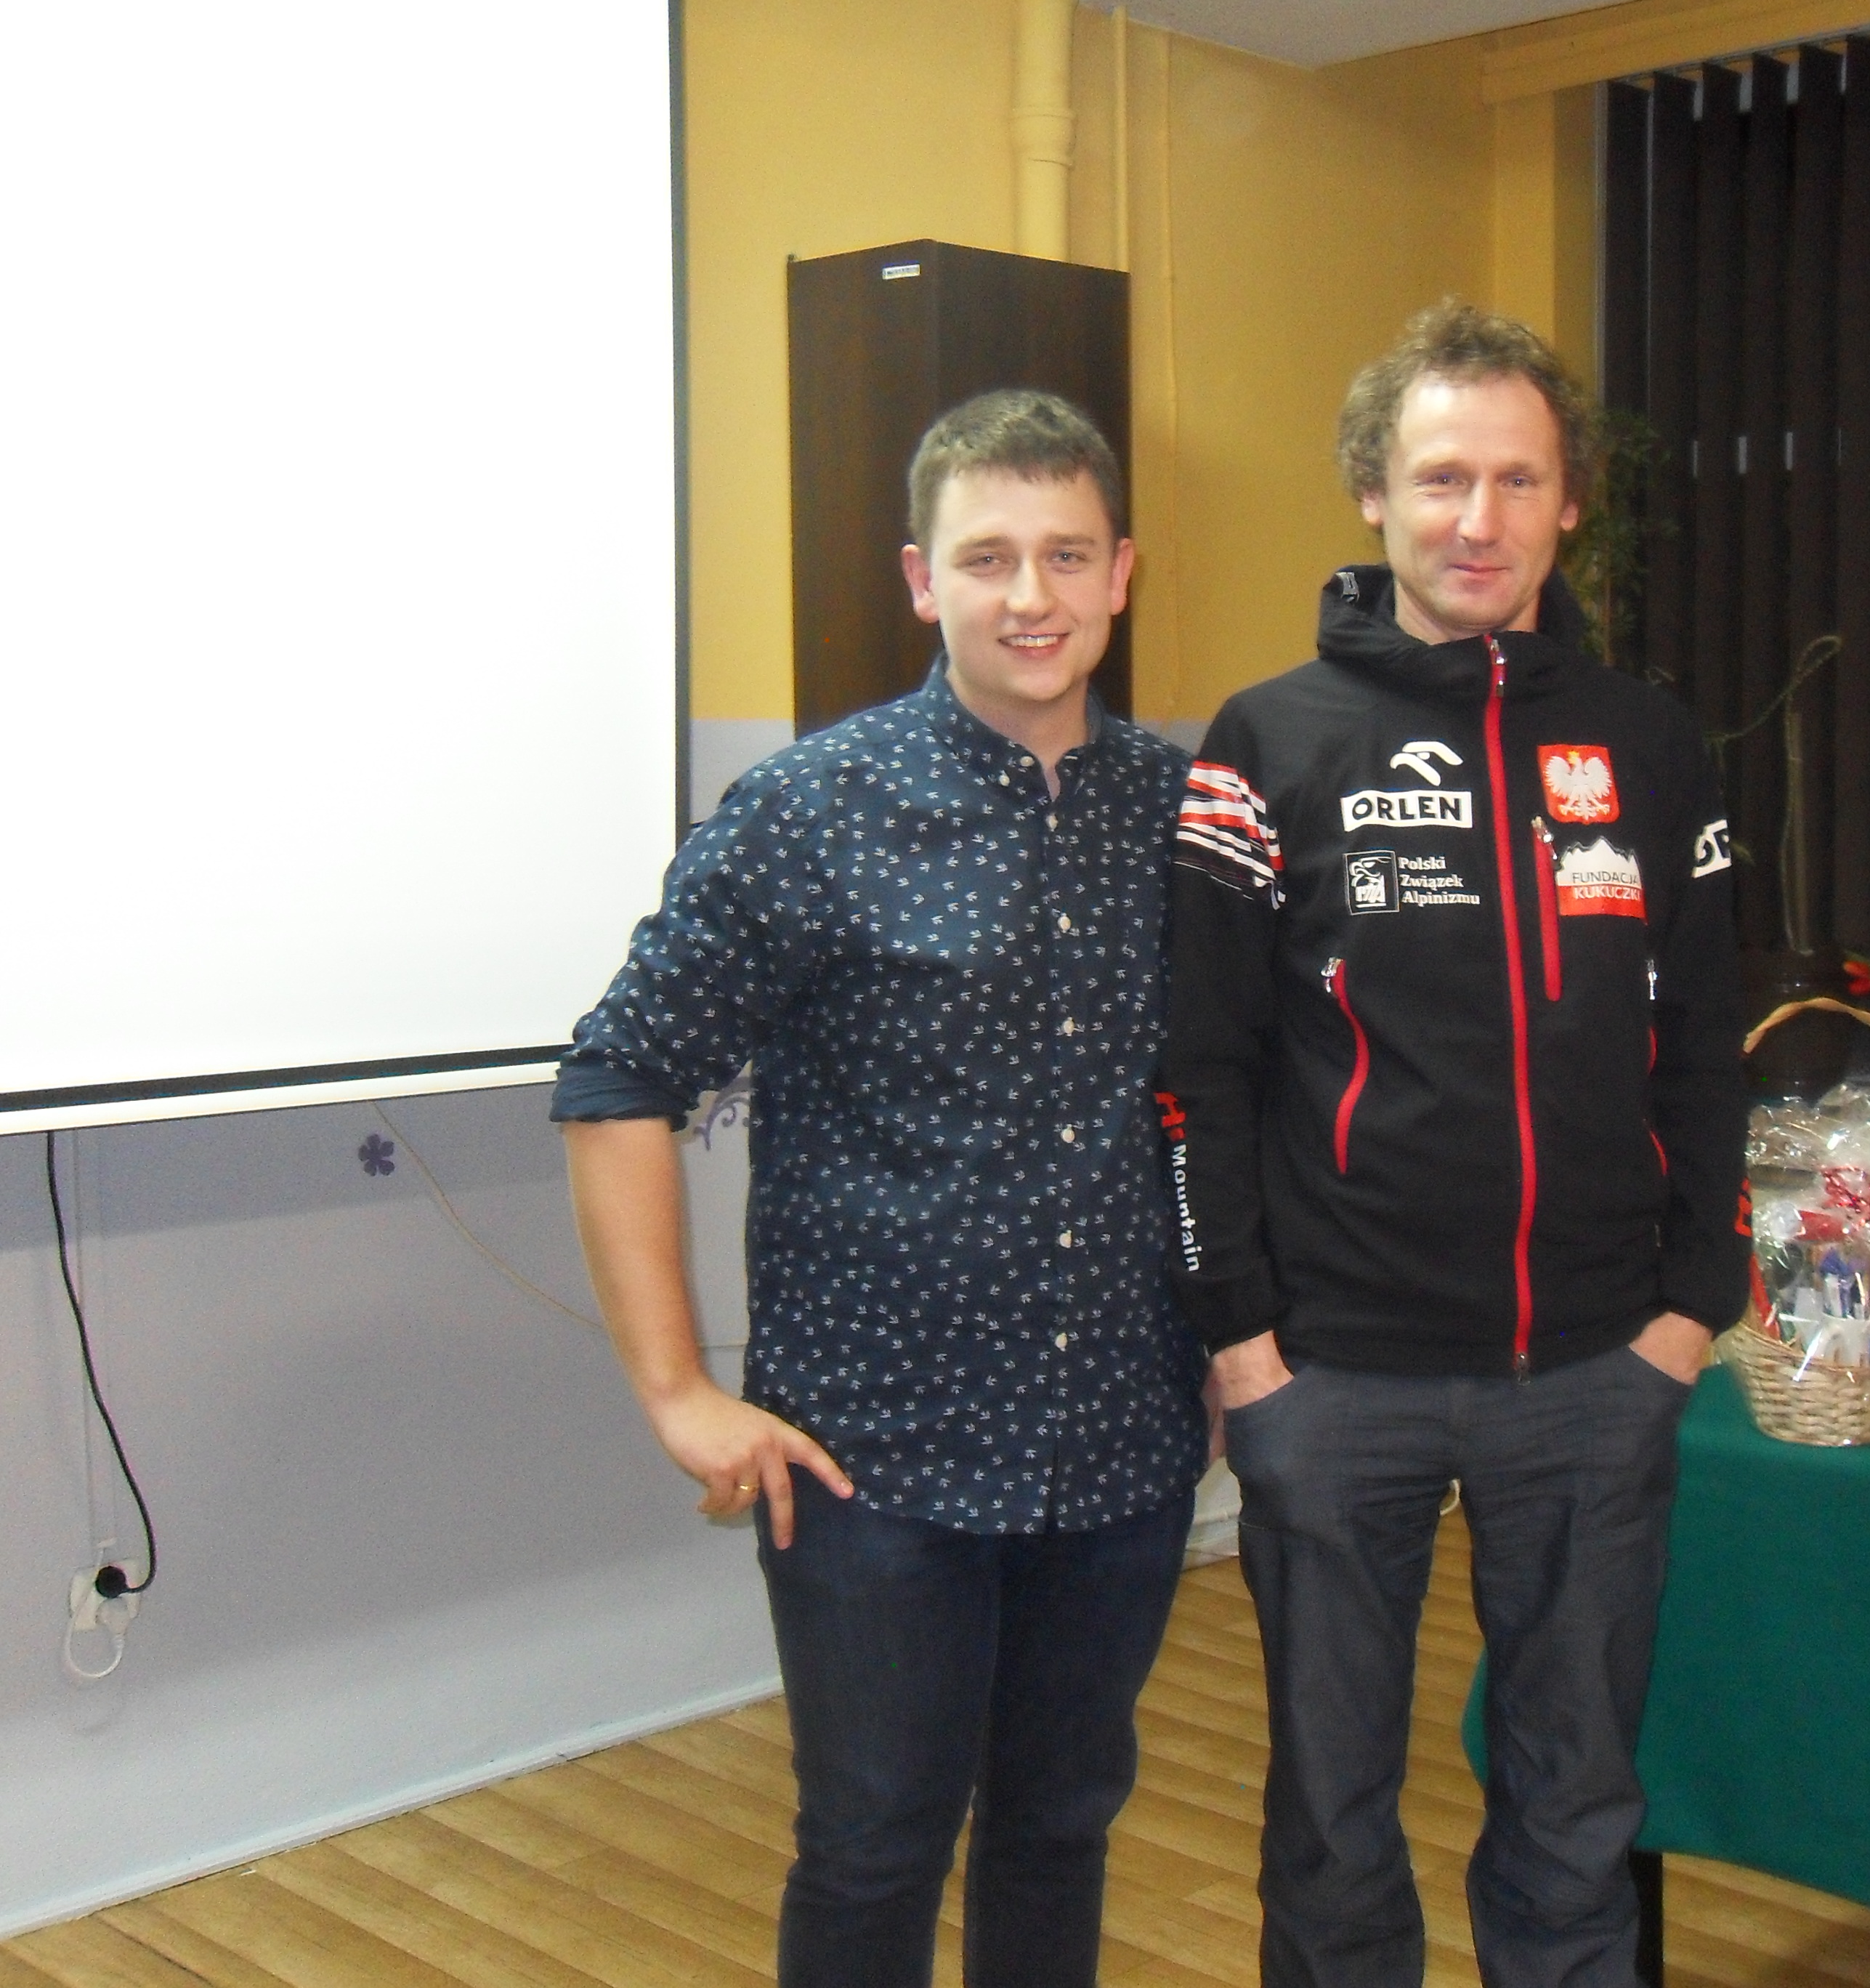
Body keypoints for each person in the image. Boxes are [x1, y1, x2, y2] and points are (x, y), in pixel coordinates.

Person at [554, 389, 1203, 1988]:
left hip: (1121, 1446)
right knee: (874, 1847)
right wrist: (676, 1390)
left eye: (1067, 555)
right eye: (988, 558)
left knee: (1060, 1827)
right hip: (873, 1464)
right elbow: (619, 1077)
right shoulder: (812, 812)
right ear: (923, 580)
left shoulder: (1184, 813)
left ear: (1122, 572)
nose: (1031, 596)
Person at [1157, 303, 1749, 1987]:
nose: (1476, 520)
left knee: (1576, 1815)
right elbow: (1201, 1064)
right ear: (1374, 493)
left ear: (1569, 505)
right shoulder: (1267, 743)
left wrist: (1689, 1310)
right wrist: (1241, 1340)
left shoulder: (1651, 747)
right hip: (1335, 1377)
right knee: (1331, 1828)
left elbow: (1708, 1048)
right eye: (1439, 479)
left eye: (1516, 480)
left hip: (1597, 1370)